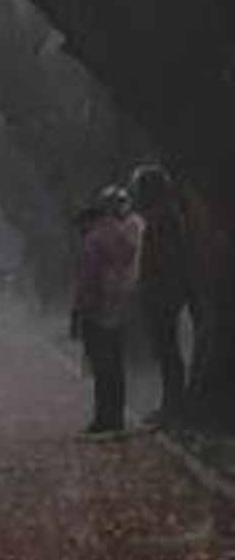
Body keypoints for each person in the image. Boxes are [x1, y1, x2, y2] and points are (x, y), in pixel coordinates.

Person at [129, 164, 191, 426]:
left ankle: (173, 405)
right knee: (163, 349)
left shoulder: (164, 219)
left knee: (167, 349)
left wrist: (160, 288)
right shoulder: (159, 217)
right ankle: (170, 403)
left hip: (163, 292)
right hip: (158, 291)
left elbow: (166, 259)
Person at [72, 189, 138, 437]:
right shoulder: (121, 234)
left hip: (97, 308)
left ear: (88, 221)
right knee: (115, 364)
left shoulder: (93, 240)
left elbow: (87, 279)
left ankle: (103, 418)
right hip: (119, 305)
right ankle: (117, 417)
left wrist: (81, 310)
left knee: (101, 366)